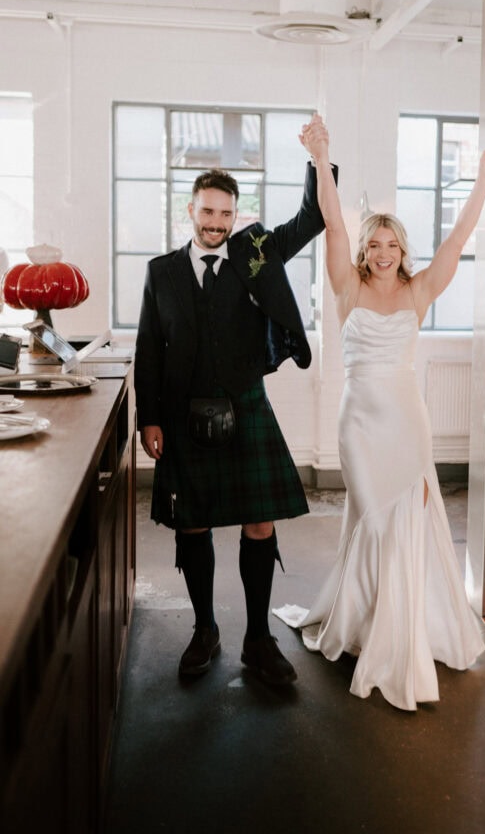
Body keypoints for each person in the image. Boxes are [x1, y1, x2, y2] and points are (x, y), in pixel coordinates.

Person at [274, 114, 485, 711]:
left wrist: (482, 182)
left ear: (403, 249)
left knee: (407, 523)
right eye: (372, 243)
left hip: (407, 420)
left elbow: (457, 242)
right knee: (374, 520)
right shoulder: (346, 286)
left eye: (390, 243)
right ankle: (370, 622)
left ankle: (401, 626)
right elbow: (330, 220)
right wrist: (323, 156)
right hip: (359, 423)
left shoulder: (421, 291)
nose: (380, 252)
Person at [134, 146, 337, 686]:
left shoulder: (255, 253)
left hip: (246, 406)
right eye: (207, 212)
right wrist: (148, 419)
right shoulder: (162, 273)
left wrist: (319, 157)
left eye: (226, 213)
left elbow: (312, 217)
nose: (216, 223)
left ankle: (257, 638)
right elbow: (149, 349)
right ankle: (204, 630)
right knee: (192, 522)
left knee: (260, 520)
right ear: (190, 211)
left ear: (235, 214)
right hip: (182, 414)